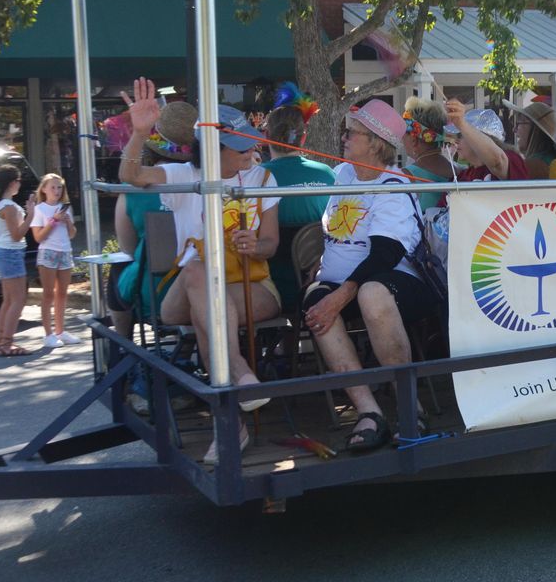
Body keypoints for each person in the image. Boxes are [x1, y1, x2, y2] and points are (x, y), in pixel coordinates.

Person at [120, 78, 281, 464]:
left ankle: (228, 431)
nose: (251, 151)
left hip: (252, 286)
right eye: (240, 146)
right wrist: (140, 134)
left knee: (207, 316)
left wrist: (253, 245)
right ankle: (239, 369)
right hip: (191, 289)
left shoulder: (262, 178)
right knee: (197, 275)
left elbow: (271, 245)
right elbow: (131, 177)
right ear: (211, 149)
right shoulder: (182, 177)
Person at [301, 99, 435, 452]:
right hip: (347, 282)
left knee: (371, 293)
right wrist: (321, 261)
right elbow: (337, 232)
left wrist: (340, 295)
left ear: (376, 143)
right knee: (315, 302)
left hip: (396, 282)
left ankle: (409, 404)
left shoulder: (393, 186)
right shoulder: (344, 174)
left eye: (352, 132)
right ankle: (369, 410)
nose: (344, 137)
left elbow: (384, 255)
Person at [111, 100, 198, 338]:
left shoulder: (133, 192)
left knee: (117, 271)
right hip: (210, 289)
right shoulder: (213, 184)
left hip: (155, 292)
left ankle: (123, 347)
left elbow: (128, 248)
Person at [262, 98, 336, 309]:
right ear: (303, 138)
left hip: (271, 286)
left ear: (267, 137)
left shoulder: (255, 178)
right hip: (321, 282)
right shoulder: (327, 174)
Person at [0, 165, 36, 357]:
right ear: (12, 182)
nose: (19, 184)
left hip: (5, 252)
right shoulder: (7, 206)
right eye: (18, 181)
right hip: (11, 254)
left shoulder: (1, 204)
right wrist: (31, 214)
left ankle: (3, 340)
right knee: (18, 300)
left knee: (8, 300)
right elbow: (17, 235)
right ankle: (7, 342)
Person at [31, 173, 80, 348]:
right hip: (48, 252)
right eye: (53, 187)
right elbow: (38, 237)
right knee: (48, 294)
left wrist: (67, 222)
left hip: (65, 251)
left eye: (59, 187)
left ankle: (60, 330)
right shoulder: (40, 209)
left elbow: (72, 234)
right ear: (44, 189)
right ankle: (48, 334)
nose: (57, 191)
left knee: (62, 293)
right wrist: (53, 221)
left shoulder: (66, 208)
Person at [444, 100, 530, 181]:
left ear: (483, 137)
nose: (456, 141)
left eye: (461, 135)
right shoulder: (462, 176)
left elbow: (497, 162)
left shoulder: (511, 160)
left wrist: (462, 124)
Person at [401, 96, 456, 207]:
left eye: (403, 132)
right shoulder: (461, 171)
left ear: (413, 140)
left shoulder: (407, 176)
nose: (401, 138)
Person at [503, 98, 556, 179]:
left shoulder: (535, 165)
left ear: (535, 129)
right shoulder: (553, 158)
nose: (514, 129)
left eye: (518, 123)